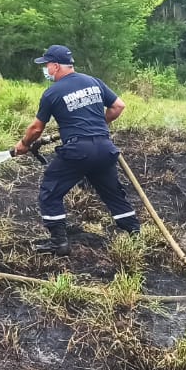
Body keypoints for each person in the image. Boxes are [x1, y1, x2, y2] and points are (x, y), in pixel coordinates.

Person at [12, 45, 140, 255]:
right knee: (113, 194)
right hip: (105, 148)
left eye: (46, 65)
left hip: (78, 150)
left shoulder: (52, 93)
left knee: (50, 191)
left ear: (55, 66)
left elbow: (36, 128)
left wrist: (24, 145)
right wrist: (98, 124)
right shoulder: (93, 82)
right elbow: (118, 106)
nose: (46, 69)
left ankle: (59, 243)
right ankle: (136, 235)